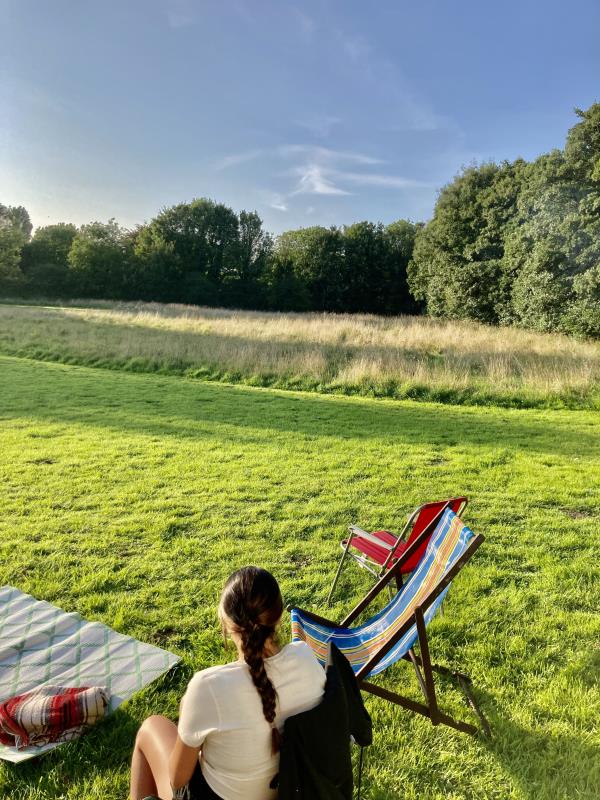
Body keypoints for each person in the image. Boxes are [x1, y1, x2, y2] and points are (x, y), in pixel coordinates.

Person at [130, 566, 326, 800]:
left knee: (151, 727)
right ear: (279, 615)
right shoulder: (306, 658)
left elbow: (177, 780)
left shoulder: (207, 687)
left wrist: (187, 716)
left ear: (225, 620)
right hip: (294, 792)